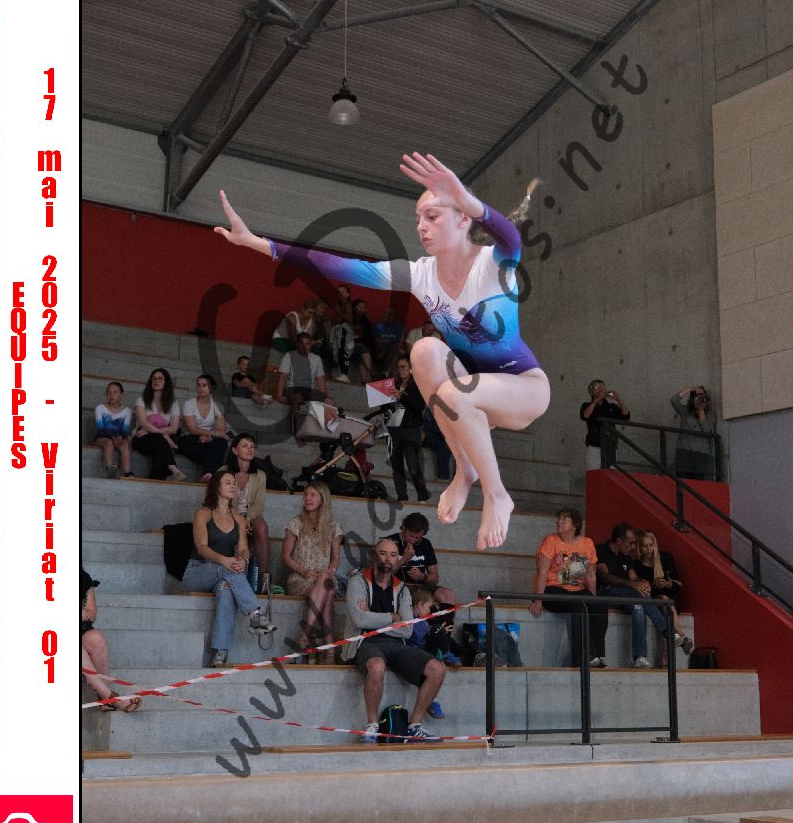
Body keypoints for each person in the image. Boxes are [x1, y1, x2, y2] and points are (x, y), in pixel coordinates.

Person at [216, 152, 548, 550]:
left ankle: (498, 494)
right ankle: (466, 470)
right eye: (418, 219)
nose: (421, 227)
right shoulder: (421, 274)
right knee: (424, 351)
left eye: (432, 217)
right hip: (471, 388)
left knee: (452, 391)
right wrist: (258, 243)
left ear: (464, 219)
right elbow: (339, 266)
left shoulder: (491, 265)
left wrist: (467, 198)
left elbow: (510, 237)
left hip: (523, 388)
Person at [346, 538, 446, 742]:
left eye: (393, 555)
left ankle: (415, 726)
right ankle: (372, 727)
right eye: (383, 553)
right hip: (366, 642)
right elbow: (359, 620)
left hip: (397, 645)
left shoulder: (402, 589)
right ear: (374, 555)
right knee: (376, 666)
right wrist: (393, 617)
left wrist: (372, 617)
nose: (387, 559)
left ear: (397, 559)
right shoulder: (358, 582)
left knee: (438, 669)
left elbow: (407, 630)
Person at [184, 468, 276, 667]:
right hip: (198, 570)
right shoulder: (203, 513)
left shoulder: (238, 518)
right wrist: (225, 560)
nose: (233, 486)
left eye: (234, 483)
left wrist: (243, 560)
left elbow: (243, 549)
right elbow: (201, 548)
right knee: (226, 569)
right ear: (216, 487)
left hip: (225, 574)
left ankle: (220, 654)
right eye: (228, 482)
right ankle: (255, 614)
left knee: (227, 590)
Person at [529, 508, 609, 667]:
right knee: (577, 606)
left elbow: (590, 576)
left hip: (577, 589)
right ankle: (580, 658)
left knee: (599, 606)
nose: (559, 521)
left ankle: (596, 655)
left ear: (575, 525)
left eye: (564, 519)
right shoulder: (551, 540)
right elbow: (542, 571)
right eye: (558, 518)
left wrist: (592, 600)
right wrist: (538, 600)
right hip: (552, 588)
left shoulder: (587, 543)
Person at [281, 483, 343, 663]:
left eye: (312, 495)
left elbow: (336, 559)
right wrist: (303, 570)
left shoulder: (333, 526)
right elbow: (285, 556)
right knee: (328, 590)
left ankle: (306, 634)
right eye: (306, 495)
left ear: (322, 499)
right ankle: (329, 648)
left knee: (326, 582)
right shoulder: (296, 523)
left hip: (323, 577)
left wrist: (330, 570)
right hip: (301, 577)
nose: (307, 498)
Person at [595, 523, 669, 668]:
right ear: (619, 541)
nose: (634, 547)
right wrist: (632, 585)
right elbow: (604, 576)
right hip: (605, 593)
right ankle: (666, 631)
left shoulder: (626, 558)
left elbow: (634, 578)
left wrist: (644, 583)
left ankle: (639, 657)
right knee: (637, 593)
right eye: (631, 543)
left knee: (638, 606)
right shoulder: (601, 550)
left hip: (625, 596)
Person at [82, 568, 140, 711]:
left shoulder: (82, 577)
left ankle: (104, 699)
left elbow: (91, 614)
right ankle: (112, 699)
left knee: (96, 638)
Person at [634, 529, 694, 659]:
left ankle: (668, 656)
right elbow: (641, 588)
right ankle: (681, 637)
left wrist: (668, 583)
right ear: (639, 548)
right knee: (664, 600)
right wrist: (653, 584)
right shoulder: (637, 565)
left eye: (651, 545)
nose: (648, 549)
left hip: (668, 597)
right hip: (651, 599)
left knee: (666, 602)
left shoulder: (665, 557)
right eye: (644, 546)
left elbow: (677, 584)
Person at [383, 512, 457, 609]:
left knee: (448, 595)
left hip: (420, 587)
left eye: (417, 537)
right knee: (419, 602)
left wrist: (422, 576)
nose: (413, 540)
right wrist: (404, 558)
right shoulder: (390, 542)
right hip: (396, 586)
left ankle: (442, 620)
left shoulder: (425, 544)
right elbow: (383, 575)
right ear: (404, 528)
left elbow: (435, 578)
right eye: (410, 535)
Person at [226, 432, 270, 594]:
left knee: (262, 527)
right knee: (234, 529)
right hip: (229, 514)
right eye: (244, 446)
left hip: (251, 515)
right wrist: (239, 520)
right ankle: (235, 578)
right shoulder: (224, 471)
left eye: (252, 446)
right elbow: (222, 502)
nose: (250, 449)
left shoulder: (260, 475)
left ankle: (263, 579)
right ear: (235, 450)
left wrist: (248, 518)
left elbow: (259, 502)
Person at [389, 355, 431, 504]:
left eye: (403, 367)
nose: (400, 370)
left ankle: (422, 496)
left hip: (411, 428)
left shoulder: (418, 385)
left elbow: (419, 408)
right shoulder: (394, 384)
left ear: (411, 368)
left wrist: (401, 397)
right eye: (398, 367)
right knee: (396, 464)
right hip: (394, 427)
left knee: (412, 463)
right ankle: (402, 496)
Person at [132, 368, 185, 481]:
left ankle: (154, 481)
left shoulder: (173, 403)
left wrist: (152, 431)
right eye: (154, 378)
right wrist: (163, 434)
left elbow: (174, 428)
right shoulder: (141, 399)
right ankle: (173, 468)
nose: (156, 381)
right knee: (161, 440)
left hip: (157, 439)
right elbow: (143, 423)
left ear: (166, 382)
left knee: (160, 446)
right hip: (141, 437)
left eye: (160, 378)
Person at [407, 585, 452, 717]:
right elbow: (417, 637)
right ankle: (432, 700)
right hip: (413, 652)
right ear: (420, 604)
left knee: (438, 630)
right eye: (428, 607)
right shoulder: (409, 618)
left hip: (425, 650)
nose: (429, 611)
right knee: (436, 630)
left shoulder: (423, 620)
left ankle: (447, 654)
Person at [177, 374, 231, 480]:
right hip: (190, 437)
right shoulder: (189, 404)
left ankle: (207, 475)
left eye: (204, 385)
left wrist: (210, 438)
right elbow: (193, 429)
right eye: (198, 385)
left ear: (211, 388)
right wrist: (212, 434)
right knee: (212, 451)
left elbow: (221, 429)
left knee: (221, 442)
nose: (200, 388)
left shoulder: (217, 405)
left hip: (209, 438)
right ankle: (211, 475)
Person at [276, 332, 328, 426]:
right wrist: (279, 396)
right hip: (292, 389)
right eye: (301, 343)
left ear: (311, 345)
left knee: (330, 401)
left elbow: (321, 382)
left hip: (309, 391)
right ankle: (296, 427)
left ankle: (323, 430)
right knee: (299, 397)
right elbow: (282, 378)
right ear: (297, 344)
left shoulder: (316, 359)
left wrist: (324, 398)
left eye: (307, 344)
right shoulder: (289, 356)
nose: (304, 346)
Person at [580, 380, 630, 470]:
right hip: (594, 446)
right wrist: (597, 400)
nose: (601, 389)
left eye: (602, 387)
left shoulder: (611, 407)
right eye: (597, 387)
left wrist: (618, 399)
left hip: (610, 446)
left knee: (610, 474)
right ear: (591, 392)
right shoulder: (586, 405)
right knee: (594, 473)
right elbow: (585, 415)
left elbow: (626, 416)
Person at [671, 385, 718, 480]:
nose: (701, 399)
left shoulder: (710, 414)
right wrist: (690, 389)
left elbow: (706, 429)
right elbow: (674, 400)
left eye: (703, 396)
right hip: (684, 452)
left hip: (700, 453)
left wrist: (701, 410)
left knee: (698, 482)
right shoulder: (685, 412)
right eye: (698, 397)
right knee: (683, 481)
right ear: (693, 399)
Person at [93, 381, 133, 478]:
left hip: (119, 438)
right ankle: (109, 469)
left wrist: (121, 437)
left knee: (125, 445)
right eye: (109, 392)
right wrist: (113, 437)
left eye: (115, 392)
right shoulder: (100, 408)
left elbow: (125, 430)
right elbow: (101, 428)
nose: (111, 395)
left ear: (121, 395)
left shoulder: (127, 411)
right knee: (109, 443)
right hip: (102, 438)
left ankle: (127, 473)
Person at [350, 299, 376, 383]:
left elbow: (368, 338)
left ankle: (365, 383)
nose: (362, 309)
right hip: (349, 346)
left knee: (361, 360)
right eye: (360, 307)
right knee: (361, 347)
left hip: (361, 349)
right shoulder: (348, 319)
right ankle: (371, 372)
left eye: (364, 308)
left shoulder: (366, 322)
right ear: (354, 308)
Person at [374, 307, 404, 375]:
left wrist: (385, 351)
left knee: (395, 351)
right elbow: (377, 343)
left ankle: (386, 372)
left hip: (392, 349)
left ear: (394, 317)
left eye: (390, 314)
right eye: (386, 314)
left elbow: (398, 343)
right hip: (381, 349)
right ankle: (386, 373)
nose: (387, 316)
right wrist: (384, 350)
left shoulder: (398, 327)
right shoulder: (379, 326)